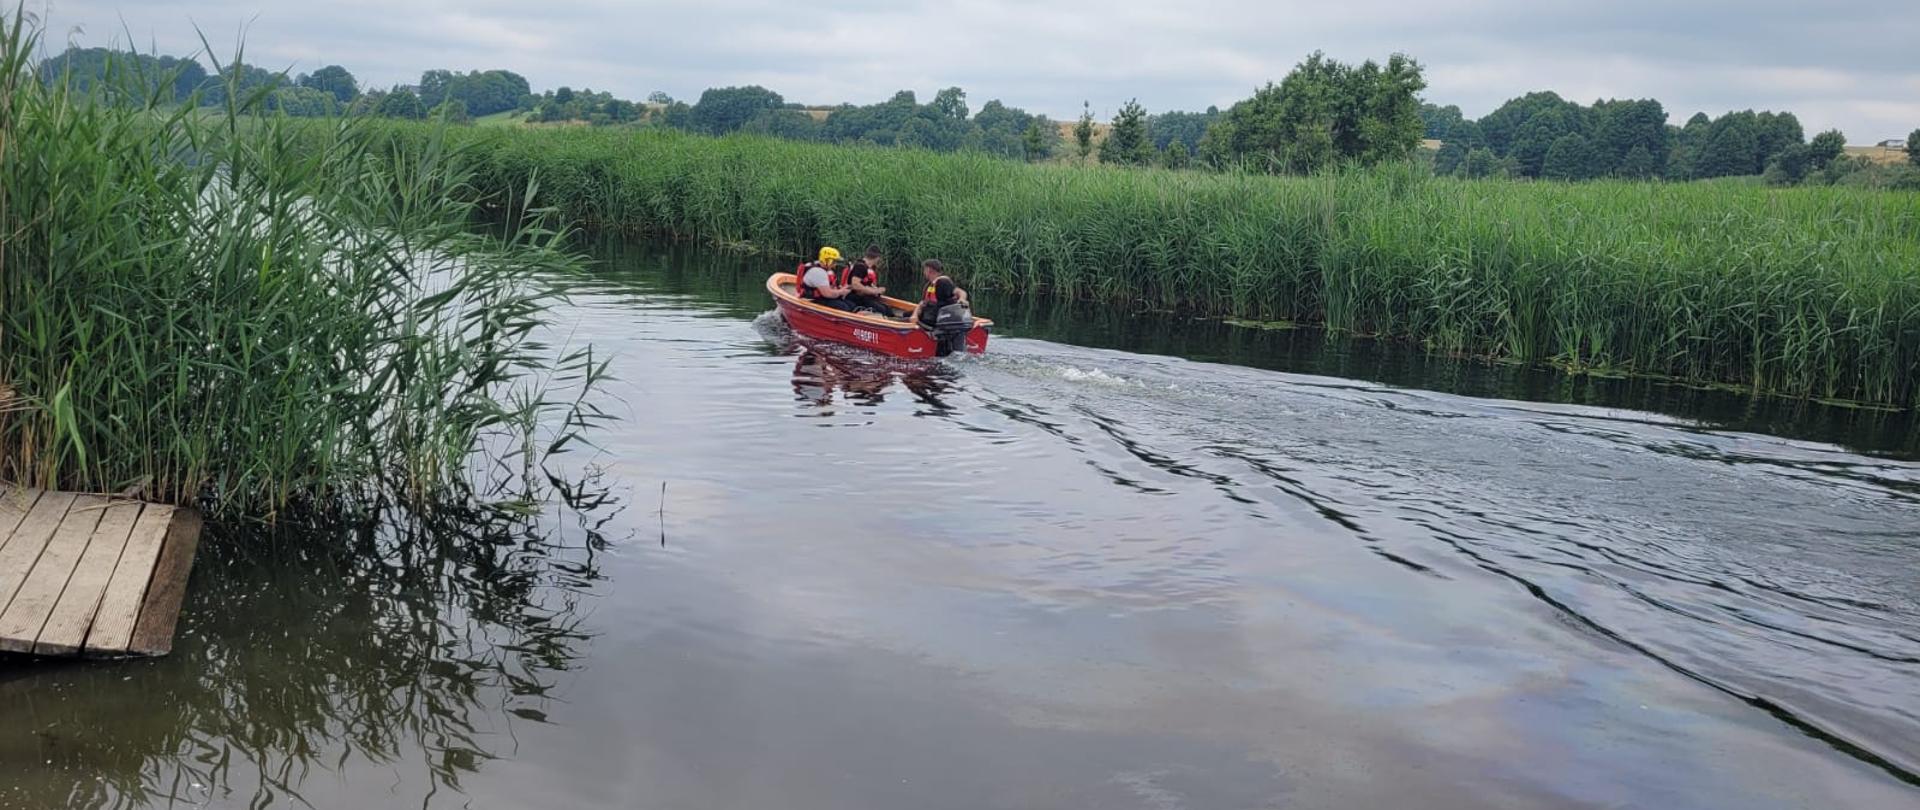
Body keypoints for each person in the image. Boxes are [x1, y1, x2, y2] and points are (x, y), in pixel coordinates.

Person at [910, 258, 967, 328]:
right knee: (906, 314)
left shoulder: (943, 282)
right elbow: (922, 303)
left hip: (936, 320)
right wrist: (915, 314)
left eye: (924, 269)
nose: (924, 272)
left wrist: (962, 299)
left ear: (929, 270)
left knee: (905, 318)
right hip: (928, 316)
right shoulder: (929, 285)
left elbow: (961, 292)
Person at [797, 246, 858, 311]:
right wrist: (841, 292)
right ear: (827, 260)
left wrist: (841, 289)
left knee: (851, 304)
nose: (835, 265)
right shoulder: (818, 272)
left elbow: (830, 289)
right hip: (812, 300)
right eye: (834, 262)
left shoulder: (821, 267)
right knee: (844, 307)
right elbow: (828, 294)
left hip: (822, 297)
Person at [843, 245, 890, 315]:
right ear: (877, 258)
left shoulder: (863, 266)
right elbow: (855, 285)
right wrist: (874, 291)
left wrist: (875, 289)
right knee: (882, 310)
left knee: (887, 309)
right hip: (854, 297)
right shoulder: (861, 267)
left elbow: (863, 284)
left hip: (862, 297)